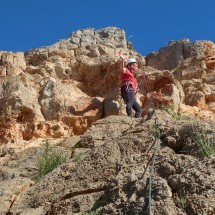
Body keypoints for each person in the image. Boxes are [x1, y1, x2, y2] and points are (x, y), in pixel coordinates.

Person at [118, 50, 142, 118]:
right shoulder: (126, 70)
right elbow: (122, 69)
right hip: (127, 89)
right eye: (134, 65)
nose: (135, 66)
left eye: (136, 65)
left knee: (139, 110)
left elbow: (135, 83)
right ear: (129, 65)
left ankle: (135, 121)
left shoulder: (132, 77)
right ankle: (129, 118)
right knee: (130, 103)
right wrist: (123, 60)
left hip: (129, 91)